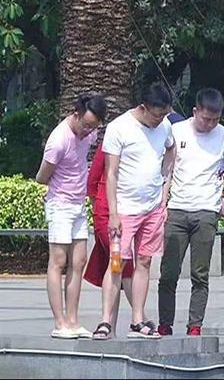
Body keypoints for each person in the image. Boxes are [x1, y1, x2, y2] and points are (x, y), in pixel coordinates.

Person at [157, 88, 224, 336]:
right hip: (177, 209)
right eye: (206, 119)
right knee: (168, 273)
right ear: (195, 111)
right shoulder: (176, 131)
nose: (210, 124)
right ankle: (165, 323)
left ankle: (195, 325)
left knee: (200, 274)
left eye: (215, 119)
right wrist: (163, 202)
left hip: (206, 211)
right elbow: (167, 169)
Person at [95, 83, 176, 339]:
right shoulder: (119, 128)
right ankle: (105, 321)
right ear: (143, 107)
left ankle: (137, 320)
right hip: (125, 209)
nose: (160, 120)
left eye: (164, 114)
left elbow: (171, 149)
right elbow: (111, 173)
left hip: (152, 208)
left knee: (144, 261)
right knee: (117, 263)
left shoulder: (165, 126)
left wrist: (164, 190)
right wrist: (114, 214)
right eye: (157, 115)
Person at [36, 94, 107, 339]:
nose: (88, 131)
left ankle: (73, 320)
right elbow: (41, 177)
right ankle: (59, 323)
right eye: (86, 125)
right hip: (60, 204)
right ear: (76, 114)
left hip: (78, 204)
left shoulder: (90, 134)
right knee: (58, 261)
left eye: (93, 127)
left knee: (78, 261)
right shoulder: (58, 141)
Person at [84, 143, 136, 339]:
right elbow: (92, 182)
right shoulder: (111, 142)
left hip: (129, 213)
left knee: (116, 268)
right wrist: (100, 211)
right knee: (121, 264)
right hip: (107, 216)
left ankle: (111, 327)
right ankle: (138, 319)